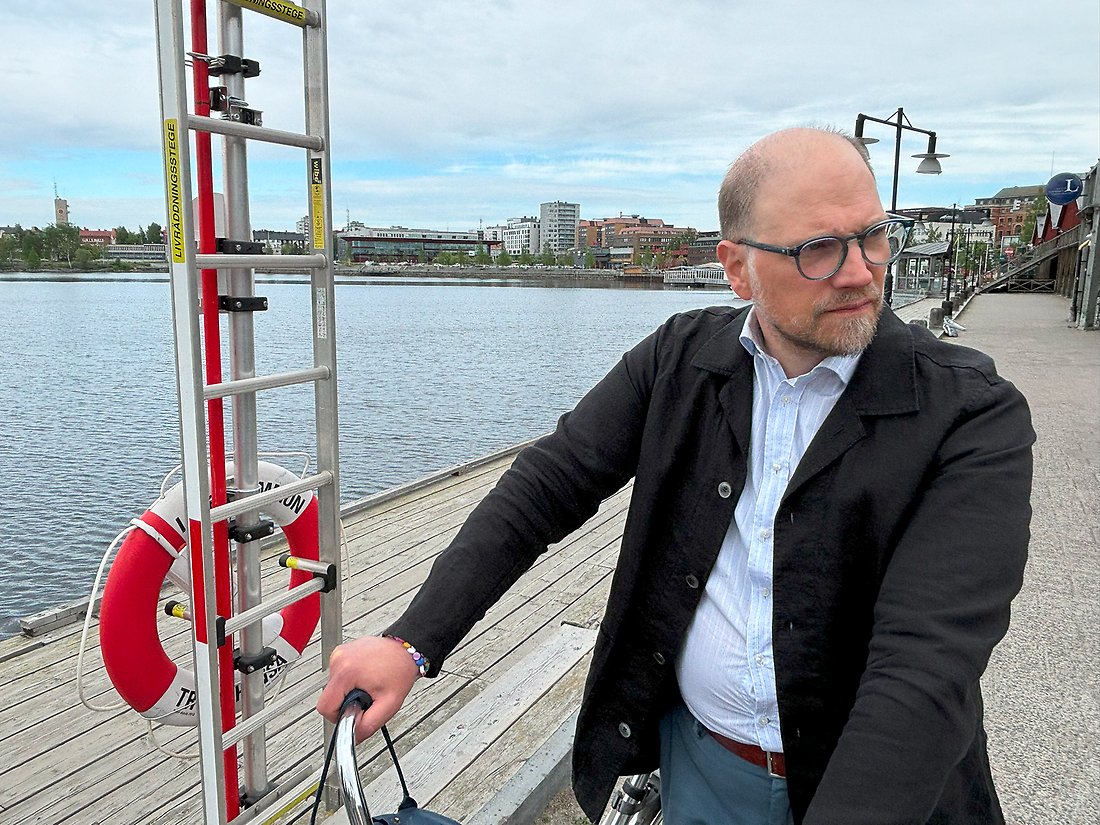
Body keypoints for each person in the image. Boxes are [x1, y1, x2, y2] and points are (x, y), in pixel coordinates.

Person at [317, 127, 1034, 824]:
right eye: (818, 248)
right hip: (706, 771)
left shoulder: (971, 413)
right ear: (736, 266)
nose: (859, 270)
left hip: (885, 791)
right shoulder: (680, 359)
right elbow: (547, 484)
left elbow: (925, 665)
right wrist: (412, 640)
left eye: (874, 235)